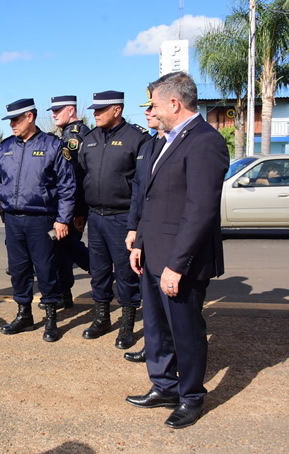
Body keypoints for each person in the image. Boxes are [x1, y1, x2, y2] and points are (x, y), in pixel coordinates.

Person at [126, 72, 229, 429]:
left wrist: (177, 265)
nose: (150, 110)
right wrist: (139, 243)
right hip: (154, 253)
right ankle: (164, 386)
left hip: (180, 261)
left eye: (153, 103)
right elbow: (154, 200)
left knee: (185, 331)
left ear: (174, 103)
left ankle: (192, 397)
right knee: (156, 328)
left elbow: (199, 210)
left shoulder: (204, 141)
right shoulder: (167, 140)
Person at [0, 98, 76, 342]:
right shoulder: (5, 148)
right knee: (18, 270)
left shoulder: (53, 146)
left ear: (30, 117)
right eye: (10, 120)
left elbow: (67, 186)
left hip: (42, 219)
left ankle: (50, 319)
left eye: (15, 119)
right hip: (13, 220)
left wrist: (63, 219)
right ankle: (24, 315)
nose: (12, 124)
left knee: (46, 269)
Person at [79, 91, 152, 349]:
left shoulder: (137, 138)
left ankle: (127, 325)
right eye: (94, 110)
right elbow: (82, 179)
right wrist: (79, 214)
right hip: (95, 217)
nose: (95, 114)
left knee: (125, 274)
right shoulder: (89, 139)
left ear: (117, 110)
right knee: (98, 272)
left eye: (101, 110)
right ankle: (102, 318)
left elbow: (141, 187)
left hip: (122, 218)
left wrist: (134, 224)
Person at [123, 88, 166, 363]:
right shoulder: (148, 145)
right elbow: (138, 192)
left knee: (169, 305)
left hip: (166, 235)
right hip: (144, 231)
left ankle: (169, 356)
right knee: (150, 301)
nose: (147, 112)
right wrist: (133, 229)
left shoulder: (179, 144)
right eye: (146, 107)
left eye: (152, 107)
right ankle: (153, 347)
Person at [40, 95, 90, 310]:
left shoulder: (74, 136)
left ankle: (99, 270)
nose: (53, 114)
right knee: (62, 249)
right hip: (70, 207)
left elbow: (75, 177)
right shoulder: (69, 134)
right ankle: (64, 293)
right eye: (52, 110)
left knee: (64, 247)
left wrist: (77, 211)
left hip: (71, 208)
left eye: (58, 110)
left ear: (71, 110)